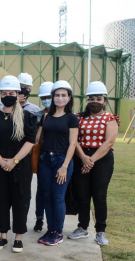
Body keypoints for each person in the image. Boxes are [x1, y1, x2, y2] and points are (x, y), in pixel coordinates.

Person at [0, 76, 37, 253]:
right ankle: (3, 236)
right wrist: (1, 161)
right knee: (1, 200)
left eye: (12, 93)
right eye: (5, 93)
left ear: (18, 94)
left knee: (20, 200)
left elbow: (30, 142)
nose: (8, 95)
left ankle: (18, 237)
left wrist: (14, 161)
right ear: (0, 94)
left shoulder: (27, 117)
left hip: (21, 166)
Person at [68, 81, 119, 246]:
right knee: (82, 195)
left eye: (99, 98)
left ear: (105, 100)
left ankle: (100, 231)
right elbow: (74, 140)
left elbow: (109, 142)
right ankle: (82, 227)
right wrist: (83, 158)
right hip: (81, 157)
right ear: (87, 100)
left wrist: (91, 160)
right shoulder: (78, 117)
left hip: (102, 160)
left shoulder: (110, 118)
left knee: (99, 196)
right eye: (91, 98)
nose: (95, 101)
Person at [34, 81, 78, 246]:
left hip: (61, 160)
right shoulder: (46, 116)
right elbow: (38, 139)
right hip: (45, 159)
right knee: (47, 196)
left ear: (68, 98)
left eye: (63, 95)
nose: (59, 98)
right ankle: (50, 229)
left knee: (58, 197)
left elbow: (73, 144)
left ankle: (57, 232)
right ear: (52, 97)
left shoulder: (71, 118)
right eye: (57, 95)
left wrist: (64, 166)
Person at [32, 81, 54, 232]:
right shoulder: (37, 116)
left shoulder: (67, 116)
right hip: (42, 157)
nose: (47, 100)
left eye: (49, 96)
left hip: (59, 157)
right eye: (43, 97)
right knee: (42, 190)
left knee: (56, 193)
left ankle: (54, 222)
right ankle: (39, 218)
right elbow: (34, 139)